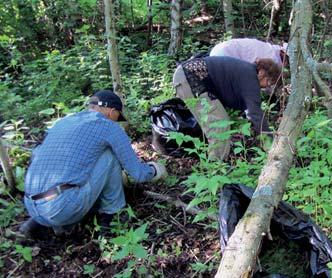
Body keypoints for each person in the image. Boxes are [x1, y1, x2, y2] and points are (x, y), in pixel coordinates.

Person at [20, 90, 167, 238]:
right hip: (61, 208)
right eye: (118, 116)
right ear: (111, 111)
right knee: (110, 156)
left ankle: (40, 223)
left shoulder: (65, 121)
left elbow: (37, 152)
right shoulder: (109, 126)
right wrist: (156, 170)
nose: (117, 120)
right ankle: (112, 216)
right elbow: (138, 174)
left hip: (31, 205)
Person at [172, 56, 282, 160]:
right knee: (219, 124)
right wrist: (269, 141)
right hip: (190, 78)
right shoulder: (250, 77)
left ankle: (216, 162)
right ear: (262, 72)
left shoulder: (246, 71)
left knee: (220, 121)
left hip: (188, 77)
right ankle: (215, 167)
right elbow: (255, 113)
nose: (267, 86)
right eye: (269, 81)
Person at [210, 38, 288, 68]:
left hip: (218, 50)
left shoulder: (268, 48)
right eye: (287, 57)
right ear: (282, 52)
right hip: (225, 54)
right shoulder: (270, 56)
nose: (288, 62)